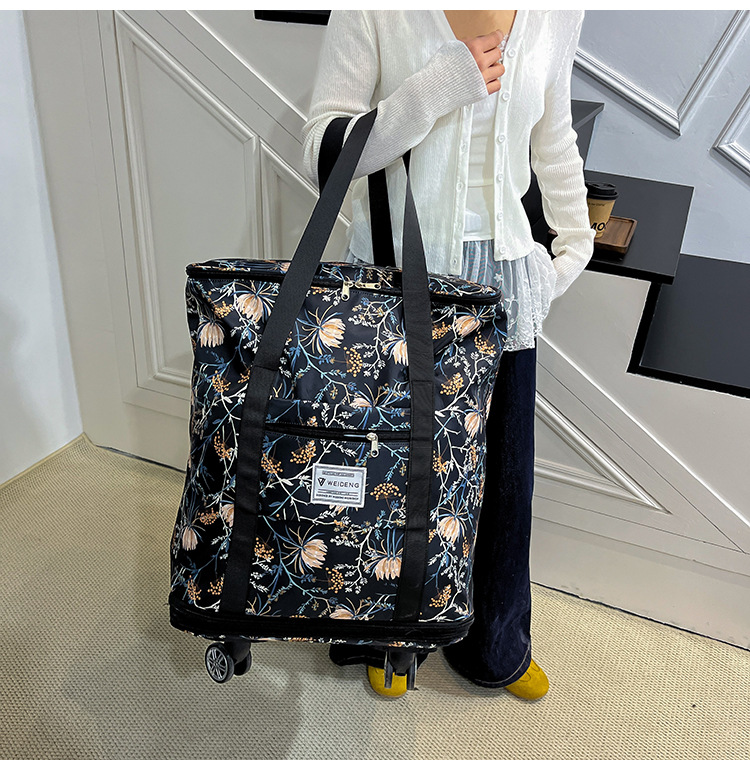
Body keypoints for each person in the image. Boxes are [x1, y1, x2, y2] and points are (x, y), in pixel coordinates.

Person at [300, 10, 595, 700]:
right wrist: (429, 92)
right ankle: (384, 635)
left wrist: (572, 247)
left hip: (503, 286)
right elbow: (321, 153)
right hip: (395, 276)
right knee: (388, 472)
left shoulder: (559, 12)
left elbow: (553, 137)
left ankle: (494, 644)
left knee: (502, 480)